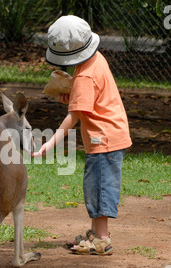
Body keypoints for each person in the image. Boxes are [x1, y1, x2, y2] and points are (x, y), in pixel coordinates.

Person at [32, 15, 132, 255]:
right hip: (110, 135)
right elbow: (88, 101)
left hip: (103, 139)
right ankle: (95, 234)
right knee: (95, 185)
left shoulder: (84, 76)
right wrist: (74, 96)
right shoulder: (95, 60)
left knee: (99, 187)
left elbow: (73, 117)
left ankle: (103, 239)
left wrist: (50, 144)